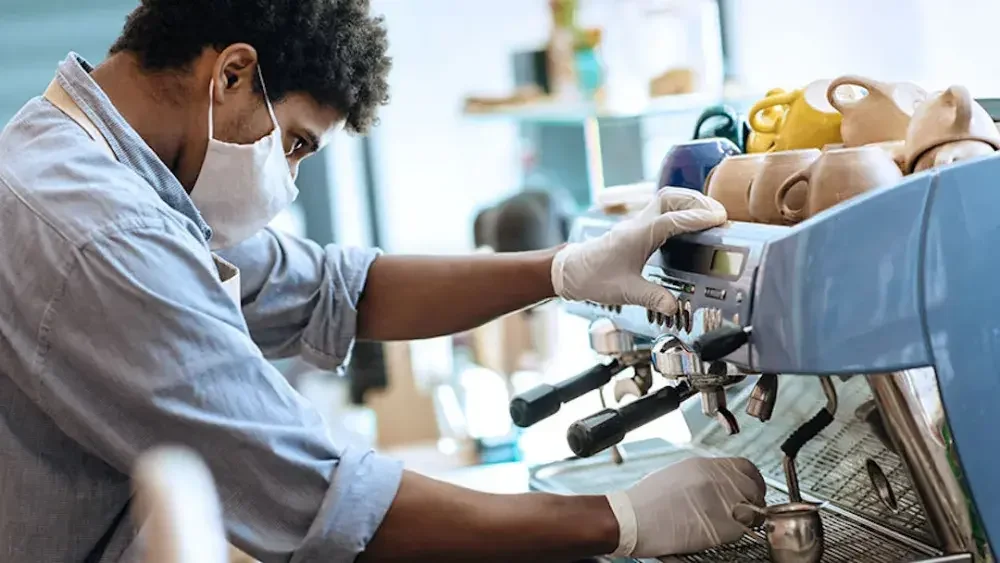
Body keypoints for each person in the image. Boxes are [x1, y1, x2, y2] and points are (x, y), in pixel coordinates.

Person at [0, 1, 766, 562]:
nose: (290, 180)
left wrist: (563, 269)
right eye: (296, 144)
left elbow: (335, 289)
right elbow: (320, 495)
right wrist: (620, 519)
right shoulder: (101, 232)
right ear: (231, 73)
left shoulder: (76, 154)